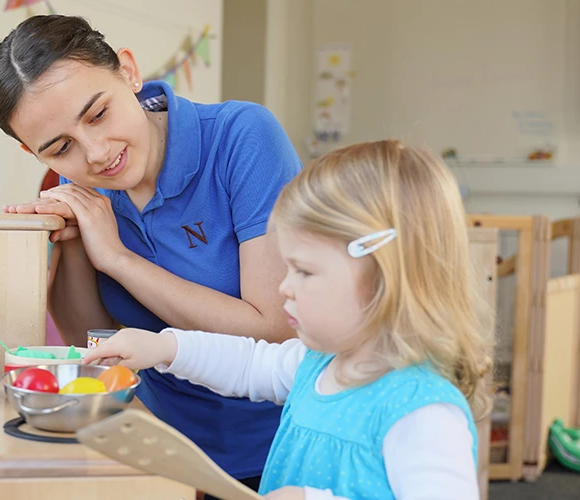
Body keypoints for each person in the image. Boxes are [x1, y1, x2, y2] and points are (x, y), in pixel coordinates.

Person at [0, 14, 303, 494]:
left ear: (129, 72)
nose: (94, 153)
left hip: (275, 451)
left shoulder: (243, 137)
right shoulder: (81, 181)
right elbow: (97, 342)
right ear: (37, 155)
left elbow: (275, 332)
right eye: (60, 147)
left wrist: (117, 259)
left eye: (98, 114)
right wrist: (68, 243)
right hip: (153, 446)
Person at [84, 140, 494, 500]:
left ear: (386, 278)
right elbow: (247, 363)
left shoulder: (422, 412)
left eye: (305, 271)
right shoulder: (318, 362)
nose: (284, 287)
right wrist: (164, 347)